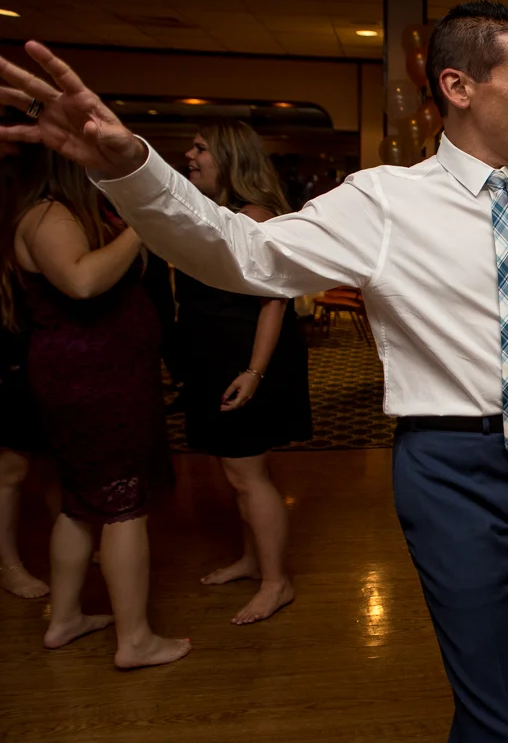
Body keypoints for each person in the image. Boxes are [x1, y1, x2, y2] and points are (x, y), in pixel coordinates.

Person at [0, 0, 508, 741]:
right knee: (498, 711)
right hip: (457, 469)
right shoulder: (384, 201)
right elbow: (240, 253)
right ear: (458, 86)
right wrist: (133, 169)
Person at [1, 143, 188, 668]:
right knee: (123, 504)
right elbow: (81, 281)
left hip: (105, 376)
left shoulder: (74, 210)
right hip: (91, 381)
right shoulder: (46, 214)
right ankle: (135, 640)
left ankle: (65, 619)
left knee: (81, 504)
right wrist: (140, 226)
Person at [176, 119, 312, 626]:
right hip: (220, 353)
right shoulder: (225, 212)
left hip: (245, 357)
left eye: (200, 148)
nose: (190, 155)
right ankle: (254, 559)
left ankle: (277, 583)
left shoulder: (254, 216)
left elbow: (275, 299)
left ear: (230, 156)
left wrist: (254, 371)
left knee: (247, 475)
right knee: (240, 475)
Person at [0, 139, 49, 600]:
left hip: (33, 346)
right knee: (12, 469)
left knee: (47, 457)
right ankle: (9, 564)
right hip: (10, 352)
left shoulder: (33, 209)